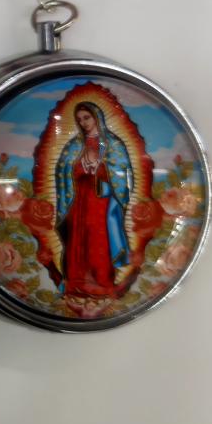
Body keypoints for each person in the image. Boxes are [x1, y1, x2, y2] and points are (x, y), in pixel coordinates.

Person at [53, 101, 132, 297]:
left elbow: (122, 173)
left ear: (97, 117)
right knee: (77, 240)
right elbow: (63, 171)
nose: (83, 122)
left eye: (87, 117)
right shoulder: (73, 145)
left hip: (101, 201)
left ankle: (102, 283)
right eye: (79, 119)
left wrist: (101, 168)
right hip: (78, 201)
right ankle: (75, 282)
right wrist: (80, 168)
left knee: (98, 240)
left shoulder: (113, 144)